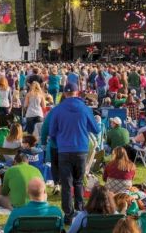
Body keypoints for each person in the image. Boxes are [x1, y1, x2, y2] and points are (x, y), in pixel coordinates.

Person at [48, 82, 100, 224]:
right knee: (78, 182)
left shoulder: (58, 109)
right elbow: (96, 129)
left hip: (64, 149)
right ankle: (79, 211)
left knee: (66, 183)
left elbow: (52, 132)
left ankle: (69, 215)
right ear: (77, 93)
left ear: (64, 93)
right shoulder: (84, 108)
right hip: (81, 149)